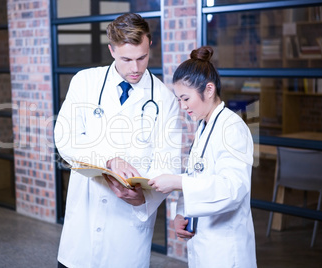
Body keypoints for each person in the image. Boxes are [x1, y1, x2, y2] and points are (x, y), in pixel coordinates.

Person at [54, 13, 182, 268]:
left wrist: (143, 200)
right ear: (111, 50)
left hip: (128, 233)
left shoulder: (164, 99)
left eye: (142, 58)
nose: (135, 68)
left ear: (150, 46)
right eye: (126, 59)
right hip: (83, 233)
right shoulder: (85, 82)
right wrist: (109, 160)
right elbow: (64, 139)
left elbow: (169, 163)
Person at [148, 46, 257, 268]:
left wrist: (176, 181)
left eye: (186, 98)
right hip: (203, 242)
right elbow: (195, 174)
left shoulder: (232, 128)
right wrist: (181, 214)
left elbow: (233, 188)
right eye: (178, 99)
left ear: (209, 89)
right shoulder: (204, 126)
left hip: (226, 249)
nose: (182, 106)